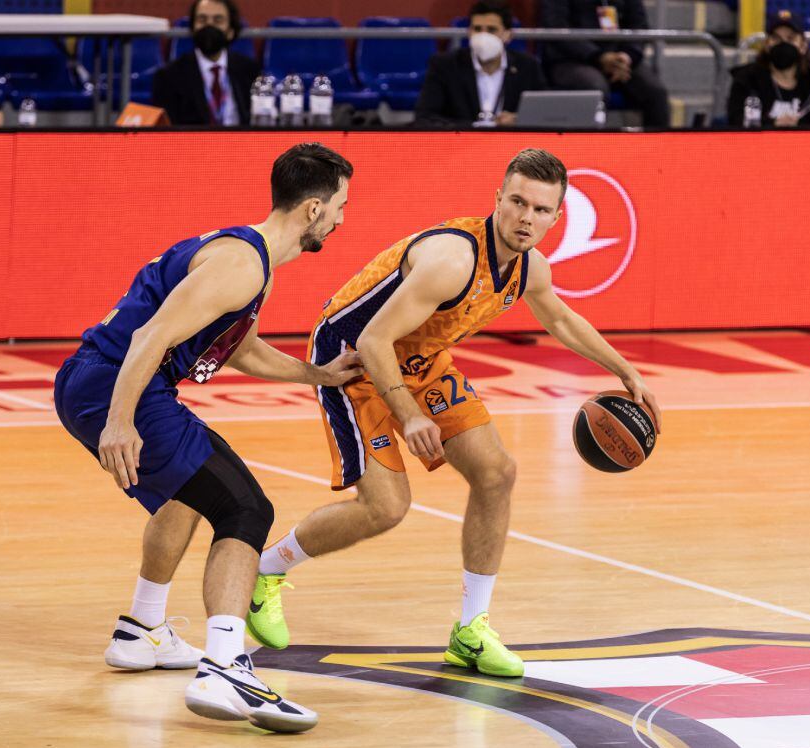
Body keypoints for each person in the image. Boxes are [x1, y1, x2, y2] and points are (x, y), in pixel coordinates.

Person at [246, 148, 662, 678]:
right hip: (351, 359)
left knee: (497, 473)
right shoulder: (453, 259)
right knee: (386, 508)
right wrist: (410, 415)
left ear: (558, 217)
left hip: (419, 359)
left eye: (540, 210)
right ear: (498, 200)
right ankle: (267, 569)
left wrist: (625, 371)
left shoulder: (530, 267)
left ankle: (470, 631)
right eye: (516, 202)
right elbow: (374, 339)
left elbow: (559, 318)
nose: (525, 218)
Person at [53, 143, 360, 732]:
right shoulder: (241, 264)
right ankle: (225, 664)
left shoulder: (251, 262)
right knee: (246, 508)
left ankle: (142, 632)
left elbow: (238, 348)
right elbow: (149, 338)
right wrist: (120, 421)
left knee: (190, 494)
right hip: (117, 384)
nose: (344, 219)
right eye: (342, 206)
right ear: (314, 209)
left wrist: (315, 375)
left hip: (100, 381)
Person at [539, 0, 671, 127]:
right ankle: (590, 147)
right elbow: (556, 28)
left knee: (655, 92)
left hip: (619, 59)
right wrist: (598, 56)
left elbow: (639, 25)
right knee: (595, 89)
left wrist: (627, 56)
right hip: (571, 59)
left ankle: (657, 147)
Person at [415, 0, 546, 127]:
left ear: (508, 35)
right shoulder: (445, 65)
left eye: (491, 30)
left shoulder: (528, 66)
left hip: (510, 145)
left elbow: (543, 115)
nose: (483, 36)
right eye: (477, 29)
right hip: (461, 144)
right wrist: (473, 127)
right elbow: (425, 117)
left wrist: (518, 120)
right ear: (469, 32)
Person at [727, 10, 810, 128]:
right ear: (767, 44)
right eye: (776, 38)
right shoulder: (747, 79)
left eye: (790, 39)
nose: (783, 44)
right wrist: (773, 124)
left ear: (803, 46)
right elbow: (735, 121)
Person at [152, 0, 260, 126]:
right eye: (202, 20)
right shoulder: (169, 76)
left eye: (217, 20)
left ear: (231, 31)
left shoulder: (250, 71)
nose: (209, 26)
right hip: (192, 144)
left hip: (243, 143)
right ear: (192, 28)